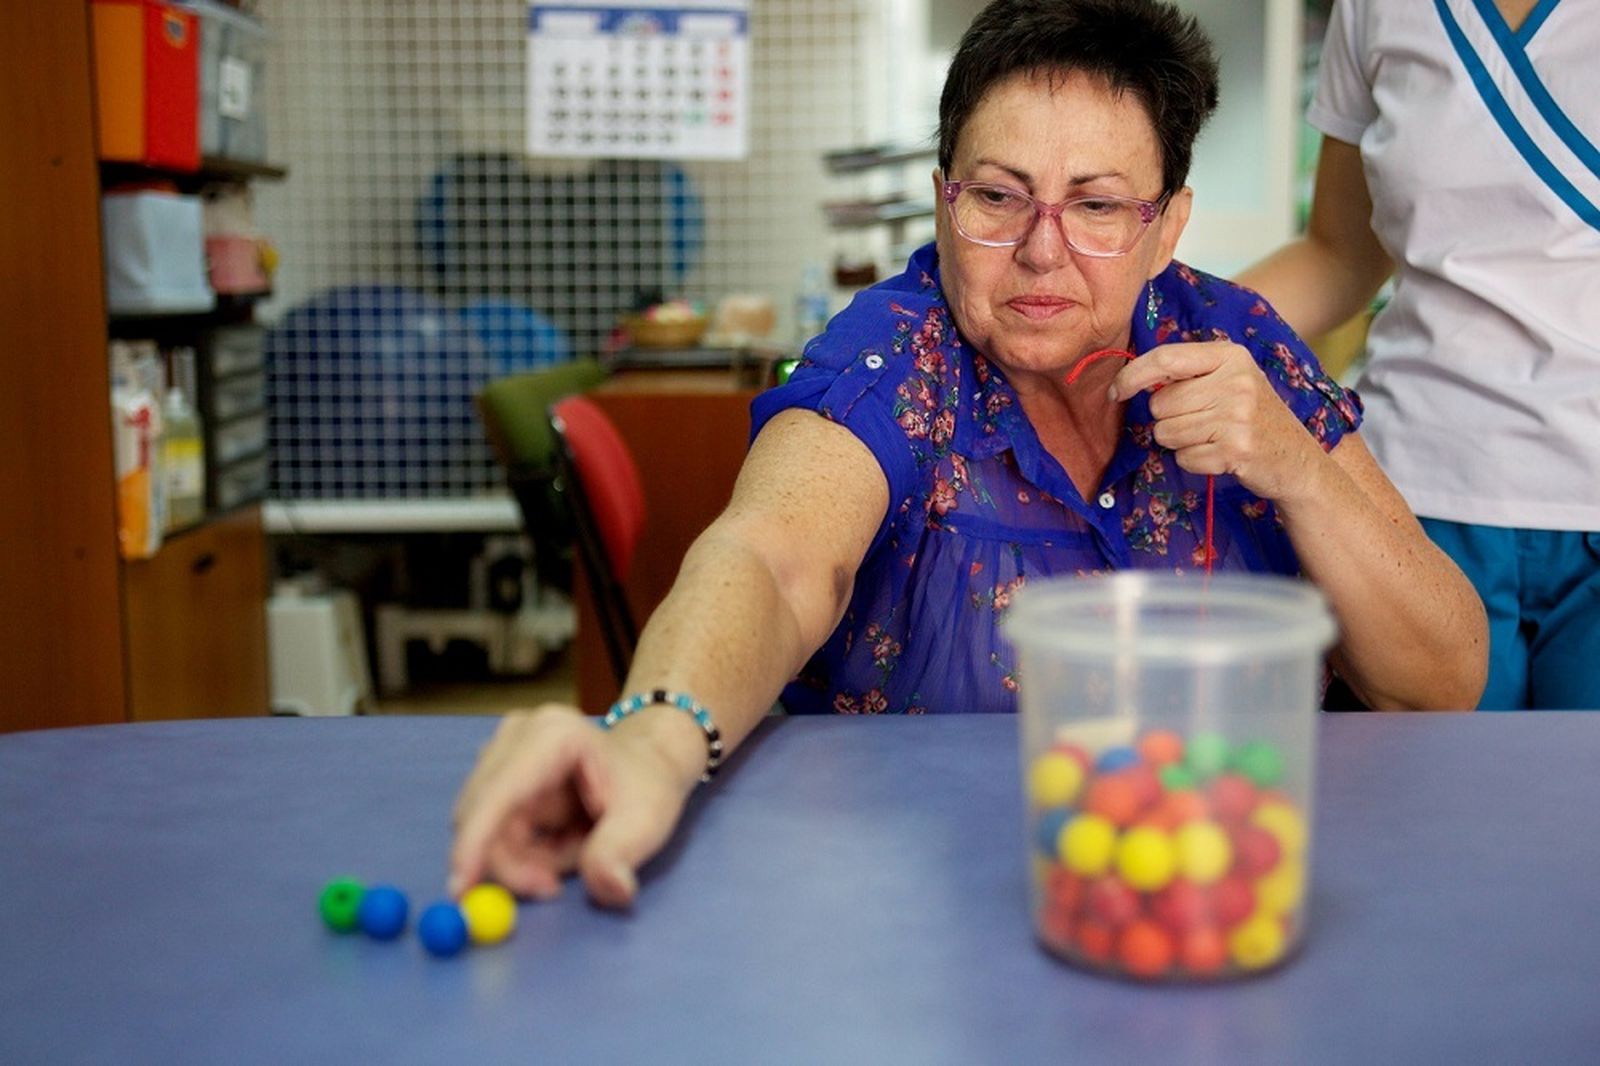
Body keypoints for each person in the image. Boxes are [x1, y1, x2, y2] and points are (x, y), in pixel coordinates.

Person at [449, 0, 1487, 909]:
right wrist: (653, 736)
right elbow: (774, 556)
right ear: (944, 199)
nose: (1041, 249)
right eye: (998, 197)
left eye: (1097, 205)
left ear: (1167, 226)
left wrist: (1300, 470)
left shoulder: (1239, 343)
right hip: (913, 900)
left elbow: (1441, 678)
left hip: (1211, 893)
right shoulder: (897, 352)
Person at [1238, 0, 1600, 710]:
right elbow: (1338, 256)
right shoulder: (1378, 8)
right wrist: (1153, 321)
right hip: (1417, 498)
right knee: (1421, 780)